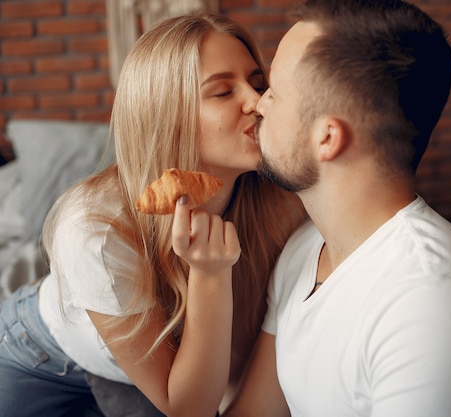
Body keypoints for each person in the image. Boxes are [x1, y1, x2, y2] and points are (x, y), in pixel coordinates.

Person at [223, 1, 451, 416]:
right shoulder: (304, 250)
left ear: (327, 138)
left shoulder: (430, 308)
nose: (259, 105)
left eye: (275, 90)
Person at [0, 13, 305, 417]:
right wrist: (210, 274)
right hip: (42, 358)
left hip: (154, 371)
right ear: (168, 114)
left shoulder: (283, 199)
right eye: (222, 92)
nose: (257, 102)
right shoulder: (95, 231)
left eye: (257, 82)